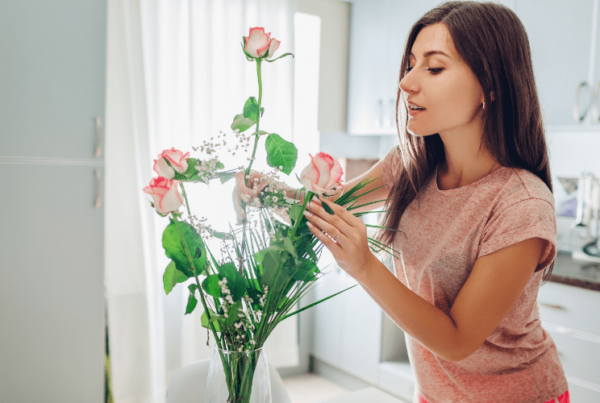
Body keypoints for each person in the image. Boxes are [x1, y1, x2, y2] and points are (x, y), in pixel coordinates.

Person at [234, 2, 570, 402]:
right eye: (411, 64)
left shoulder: (522, 204)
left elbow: (458, 339)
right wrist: (265, 191)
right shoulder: (410, 164)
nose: (406, 82)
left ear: (491, 86)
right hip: (433, 394)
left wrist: (362, 264)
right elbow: (330, 207)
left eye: (434, 67)